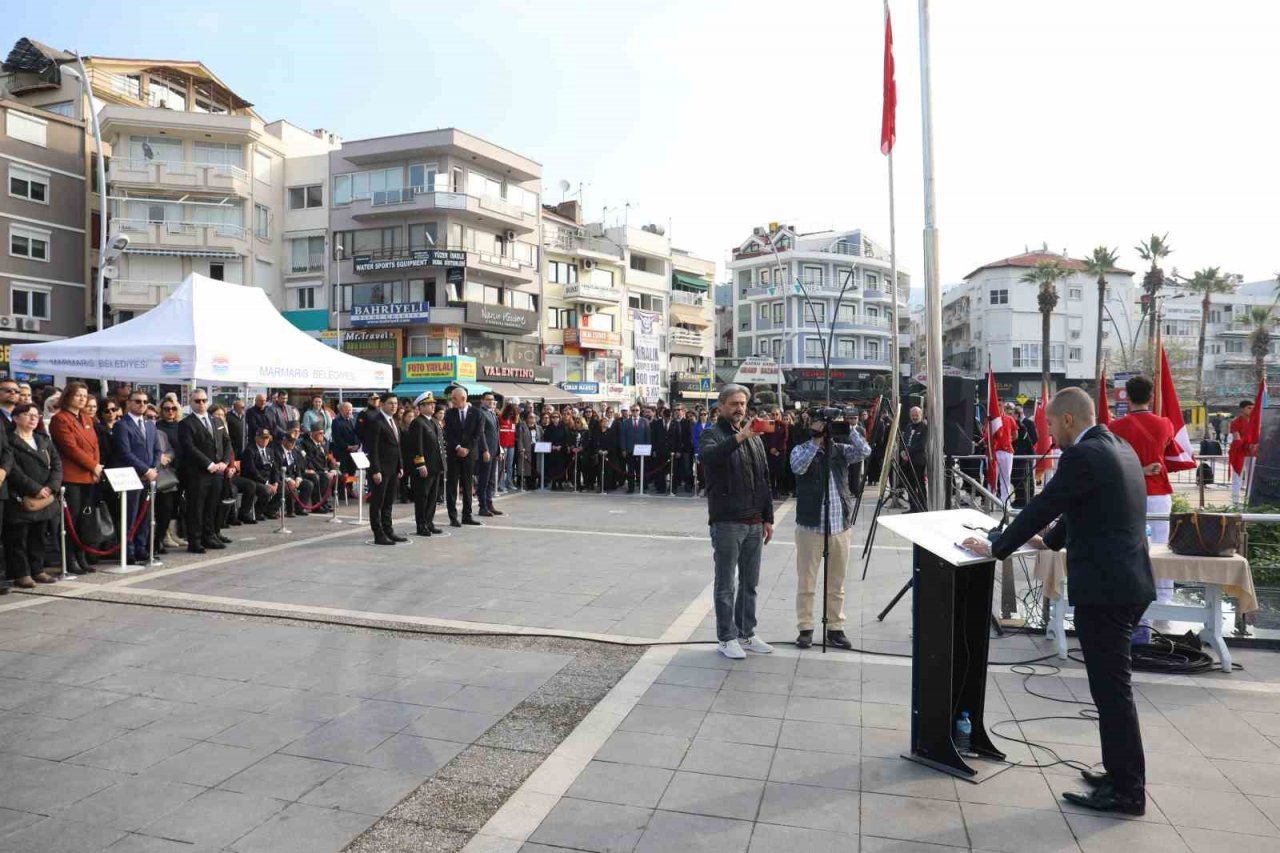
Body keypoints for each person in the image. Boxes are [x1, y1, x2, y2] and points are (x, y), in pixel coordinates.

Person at [962, 387, 1153, 816]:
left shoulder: (1082, 456)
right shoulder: (1116, 446)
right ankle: (1120, 774)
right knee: (1111, 691)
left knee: (1111, 692)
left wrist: (997, 547)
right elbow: (1079, 510)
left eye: (1050, 424)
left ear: (1068, 420)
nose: (1048, 432)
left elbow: (1046, 503)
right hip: (1130, 583)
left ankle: (1127, 791)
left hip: (1106, 590)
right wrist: (1048, 541)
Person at [698, 384, 775, 660]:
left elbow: (763, 478)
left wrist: (768, 517)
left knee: (750, 583)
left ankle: (747, 632)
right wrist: (740, 437)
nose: (740, 408)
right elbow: (710, 457)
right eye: (733, 404)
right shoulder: (712, 433)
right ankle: (726, 636)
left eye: (743, 403)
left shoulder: (754, 437)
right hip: (728, 520)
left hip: (754, 520)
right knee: (725, 584)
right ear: (720, 407)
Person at [789, 412, 872, 649]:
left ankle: (835, 628)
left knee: (837, 582)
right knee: (807, 580)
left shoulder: (840, 449)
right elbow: (798, 467)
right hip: (810, 526)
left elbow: (865, 452)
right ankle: (805, 627)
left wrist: (850, 427)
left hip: (839, 526)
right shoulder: (801, 449)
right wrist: (816, 440)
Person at [1109, 375, 1184, 622]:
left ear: (1126, 397)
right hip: (1159, 493)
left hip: (1126, 494)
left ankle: (1130, 595)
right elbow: (1171, 452)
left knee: (1129, 547)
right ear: (1151, 397)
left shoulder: (1115, 427)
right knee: (1162, 547)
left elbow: (1113, 463)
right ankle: (1163, 600)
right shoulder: (1165, 424)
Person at [4, 403, 61, 588]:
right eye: (28, 415)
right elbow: (13, 470)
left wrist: (51, 487)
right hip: (21, 496)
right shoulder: (9, 440)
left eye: (36, 415)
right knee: (18, 538)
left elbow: (57, 465)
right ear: (16, 417)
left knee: (38, 536)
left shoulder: (43, 439)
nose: (33, 418)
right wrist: (35, 488)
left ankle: (38, 570)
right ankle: (22, 573)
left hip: (44, 497)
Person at [49, 381, 102, 575]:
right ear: (68, 396)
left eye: (84, 395)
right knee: (72, 519)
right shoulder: (60, 419)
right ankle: (70, 558)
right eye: (78, 395)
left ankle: (81, 556)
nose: (82, 398)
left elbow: (95, 444)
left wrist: (96, 467)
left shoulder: (87, 417)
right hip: (72, 477)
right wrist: (93, 465)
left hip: (89, 476)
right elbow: (70, 449)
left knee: (84, 521)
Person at [177, 389, 232, 554]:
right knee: (196, 508)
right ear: (191, 403)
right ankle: (195, 540)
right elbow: (189, 448)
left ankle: (209, 536)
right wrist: (208, 464)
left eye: (203, 400)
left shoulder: (217, 421)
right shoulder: (186, 424)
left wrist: (225, 462)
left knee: (211, 506)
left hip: (217, 472)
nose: (201, 403)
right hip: (198, 473)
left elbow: (227, 442)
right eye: (197, 401)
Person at [114, 388, 161, 565]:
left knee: (146, 515)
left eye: (144, 402)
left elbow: (157, 450)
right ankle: (129, 550)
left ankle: (141, 548)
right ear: (128, 403)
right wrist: (145, 470)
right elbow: (125, 452)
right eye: (137, 401)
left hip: (149, 478)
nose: (141, 405)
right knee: (130, 516)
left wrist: (154, 469)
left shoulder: (150, 424)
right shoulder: (122, 425)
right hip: (132, 477)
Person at [365, 394, 404, 545]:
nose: (394, 406)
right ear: (382, 405)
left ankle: (388, 530)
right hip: (381, 470)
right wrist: (375, 470)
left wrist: (400, 465)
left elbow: (397, 446)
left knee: (389, 501)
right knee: (378, 502)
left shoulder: (393, 421)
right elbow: (372, 448)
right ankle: (378, 533)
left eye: (395, 403)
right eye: (390, 403)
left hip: (393, 469)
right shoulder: (376, 422)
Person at [405, 392, 445, 536]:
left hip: (435, 466)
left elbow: (439, 445)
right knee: (422, 497)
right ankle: (421, 525)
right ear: (421, 407)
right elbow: (417, 446)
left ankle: (429, 522)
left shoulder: (433, 422)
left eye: (433, 404)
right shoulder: (417, 423)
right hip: (425, 467)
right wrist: (420, 464)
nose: (433, 406)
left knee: (432, 498)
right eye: (429, 404)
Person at [444, 387, 483, 527]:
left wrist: (467, 448)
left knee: (467, 485)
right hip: (454, 454)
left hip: (469, 454)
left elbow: (477, 434)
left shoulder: (477, 413)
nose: (452, 401)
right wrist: (458, 447)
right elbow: (448, 434)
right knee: (452, 485)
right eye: (451, 398)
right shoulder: (449, 414)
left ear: (463, 399)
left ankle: (467, 515)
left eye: (454, 398)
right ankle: (453, 517)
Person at [241, 428, 281, 521]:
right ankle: (258, 512)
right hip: (254, 479)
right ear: (256, 438)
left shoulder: (270, 451)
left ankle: (270, 510)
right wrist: (266, 483)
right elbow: (252, 470)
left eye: (267, 438)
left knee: (282, 488)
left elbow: (275, 469)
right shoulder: (250, 451)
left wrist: (275, 482)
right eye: (262, 438)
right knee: (265, 491)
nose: (265, 440)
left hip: (267, 479)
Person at [476, 393, 503, 516]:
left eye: (493, 400)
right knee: (484, 480)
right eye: (488, 399)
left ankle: (489, 503)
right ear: (482, 401)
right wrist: (485, 450)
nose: (491, 401)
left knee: (491, 480)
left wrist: (498, 449)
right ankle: (483, 506)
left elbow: (495, 434)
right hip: (485, 452)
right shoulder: (481, 413)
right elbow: (481, 433)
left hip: (493, 451)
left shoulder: (493, 413)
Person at [300, 424, 336, 513]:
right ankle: (317, 505)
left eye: (323, 433)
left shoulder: (322, 444)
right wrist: (324, 470)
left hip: (322, 470)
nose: (322, 435)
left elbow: (328, 458)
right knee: (323, 477)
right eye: (320, 433)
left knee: (330, 476)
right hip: (313, 470)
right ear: (313, 434)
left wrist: (332, 469)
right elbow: (310, 461)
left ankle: (324, 503)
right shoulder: (306, 444)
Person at [277, 433, 314, 517]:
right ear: (284, 441)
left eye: (294, 442)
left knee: (308, 484)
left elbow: (298, 467)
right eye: (291, 442)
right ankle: (290, 511)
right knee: (290, 487)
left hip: (293, 478)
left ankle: (299, 508)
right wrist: (288, 479)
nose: (293, 444)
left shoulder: (294, 451)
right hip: (282, 478)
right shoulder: (277, 451)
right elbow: (277, 470)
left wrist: (298, 478)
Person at [900, 406, 929, 512]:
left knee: (920, 484)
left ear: (920, 415)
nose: (914, 417)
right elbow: (903, 441)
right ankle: (913, 507)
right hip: (907, 461)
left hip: (918, 461)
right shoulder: (908, 426)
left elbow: (921, 445)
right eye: (913, 415)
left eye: (916, 415)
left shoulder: (924, 426)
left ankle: (923, 507)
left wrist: (908, 452)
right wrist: (902, 451)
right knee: (910, 485)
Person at [1229, 398, 1256, 504]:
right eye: (1249, 408)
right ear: (1242, 409)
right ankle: (1235, 502)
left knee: (1251, 477)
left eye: (1253, 408)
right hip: (1240, 452)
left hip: (1252, 452)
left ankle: (1249, 500)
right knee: (1237, 477)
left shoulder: (1255, 422)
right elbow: (1237, 438)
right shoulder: (1236, 422)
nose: (1251, 410)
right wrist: (1246, 445)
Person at [331, 401, 359, 499]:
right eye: (347, 409)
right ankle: (342, 492)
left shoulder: (352, 420)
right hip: (342, 452)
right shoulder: (336, 421)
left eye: (351, 409)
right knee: (343, 472)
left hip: (353, 452)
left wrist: (357, 445)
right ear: (341, 410)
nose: (349, 411)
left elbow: (356, 434)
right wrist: (347, 447)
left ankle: (350, 490)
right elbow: (337, 438)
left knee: (352, 471)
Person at [619, 404, 650, 494]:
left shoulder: (645, 421)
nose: (635, 412)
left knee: (641, 469)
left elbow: (648, 436)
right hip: (630, 450)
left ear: (639, 411)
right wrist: (623, 449)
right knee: (631, 470)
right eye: (633, 410)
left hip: (642, 450)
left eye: (637, 410)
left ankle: (643, 487)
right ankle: (631, 487)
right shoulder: (626, 422)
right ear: (630, 411)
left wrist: (648, 449)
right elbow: (623, 437)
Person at [1013, 404, 1039, 507]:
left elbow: (1034, 437)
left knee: (1028, 477)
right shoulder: (1015, 423)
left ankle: (1029, 497)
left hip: (1026, 453)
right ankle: (1020, 499)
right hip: (1017, 454)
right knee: (1017, 477)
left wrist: (1025, 446)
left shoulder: (1029, 423)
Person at [993, 402, 1018, 502]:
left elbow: (1015, 434)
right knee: (992, 479)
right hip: (994, 452)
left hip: (1006, 451)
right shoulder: (991, 420)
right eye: (997, 405)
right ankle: (992, 501)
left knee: (1006, 479)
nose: (999, 407)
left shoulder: (1009, 419)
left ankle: (1005, 502)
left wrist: (1006, 441)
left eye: (1000, 405)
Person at [650, 406, 677, 494]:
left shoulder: (675, 423)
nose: (668, 419)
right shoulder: (656, 423)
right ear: (663, 416)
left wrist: (678, 451)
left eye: (670, 417)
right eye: (667, 417)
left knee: (673, 470)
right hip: (659, 451)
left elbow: (679, 438)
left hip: (672, 451)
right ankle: (660, 487)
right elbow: (653, 438)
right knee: (659, 470)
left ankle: (672, 488)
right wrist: (653, 450)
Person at [498, 403, 518, 493]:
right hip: (503, 445)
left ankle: (509, 482)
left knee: (509, 466)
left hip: (511, 445)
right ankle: (500, 484)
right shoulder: (500, 419)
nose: (512, 414)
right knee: (501, 466)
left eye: (513, 412)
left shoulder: (514, 421)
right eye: (510, 412)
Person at [517, 411, 540, 490]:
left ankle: (534, 483)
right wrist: (520, 450)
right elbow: (520, 440)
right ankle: (527, 484)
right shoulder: (522, 427)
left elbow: (541, 438)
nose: (533, 419)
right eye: (531, 417)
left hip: (536, 449)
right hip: (526, 449)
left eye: (534, 417)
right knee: (526, 468)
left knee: (534, 466)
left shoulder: (538, 428)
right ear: (527, 419)